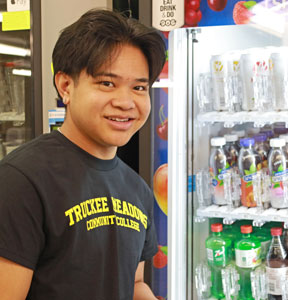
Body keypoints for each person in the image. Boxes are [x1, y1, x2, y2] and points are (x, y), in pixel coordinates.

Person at [0, 8, 166, 300]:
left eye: (139, 87)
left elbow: (135, 283)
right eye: (107, 83)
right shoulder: (20, 180)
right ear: (66, 86)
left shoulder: (137, 189)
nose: (126, 102)